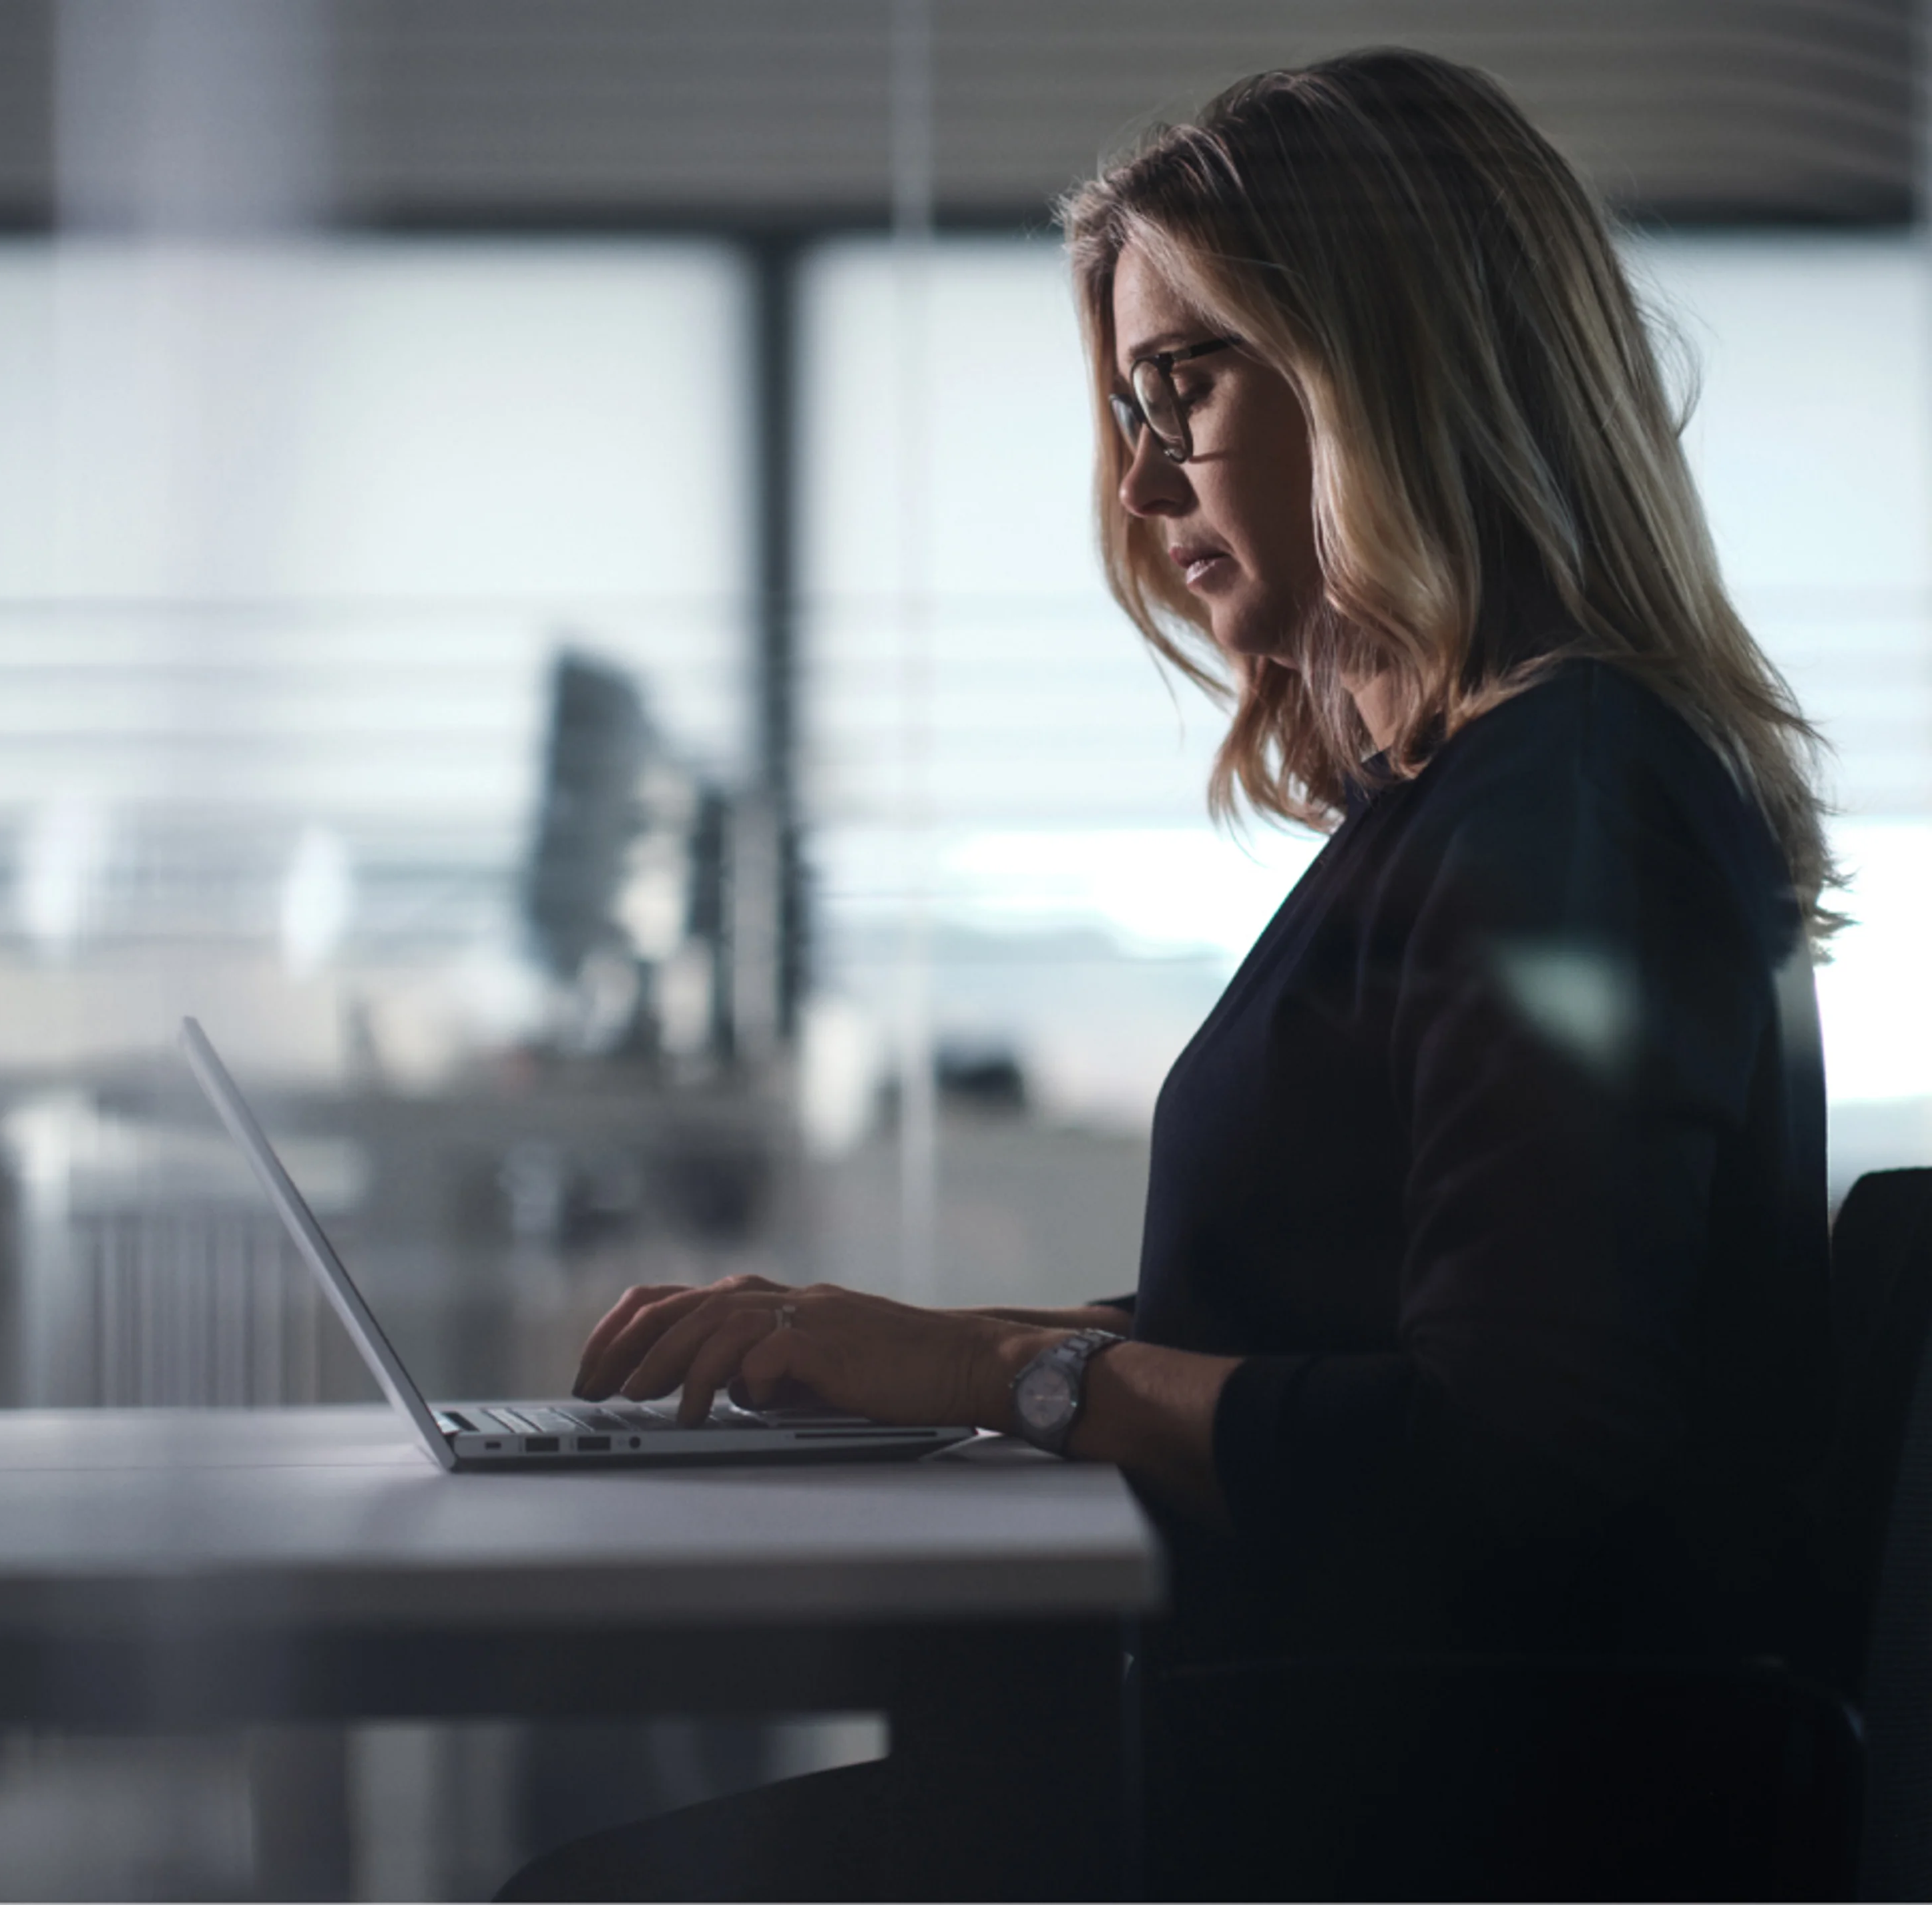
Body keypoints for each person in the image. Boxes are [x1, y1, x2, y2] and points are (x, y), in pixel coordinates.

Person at [499, 44, 1837, 1902]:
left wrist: (1004, 1368)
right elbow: (1344, 1327)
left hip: (1433, 1816)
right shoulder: (1483, 798)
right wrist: (892, 1349)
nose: (1138, 485)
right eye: (1130, 406)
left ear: (1388, 367)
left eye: (1181, 386)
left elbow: (1513, 1446)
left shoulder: (1571, 800)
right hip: (1351, 1762)